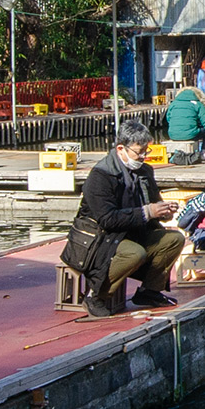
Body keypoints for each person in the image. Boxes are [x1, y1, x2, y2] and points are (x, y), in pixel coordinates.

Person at [76, 120, 186, 315]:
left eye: (146, 151)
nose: (144, 156)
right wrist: (148, 212)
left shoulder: (145, 172)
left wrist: (165, 212)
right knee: (135, 253)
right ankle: (95, 295)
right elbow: (107, 219)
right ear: (121, 148)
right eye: (139, 152)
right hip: (100, 237)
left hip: (134, 231)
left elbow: (153, 204)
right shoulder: (100, 175)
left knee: (174, 238)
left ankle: (149, 291)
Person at [164, 84, 205, 163]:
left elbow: (168, 119)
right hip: (190, 135)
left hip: (173, 135)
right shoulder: (197, 104)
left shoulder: (173, 104)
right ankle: (204, 152)